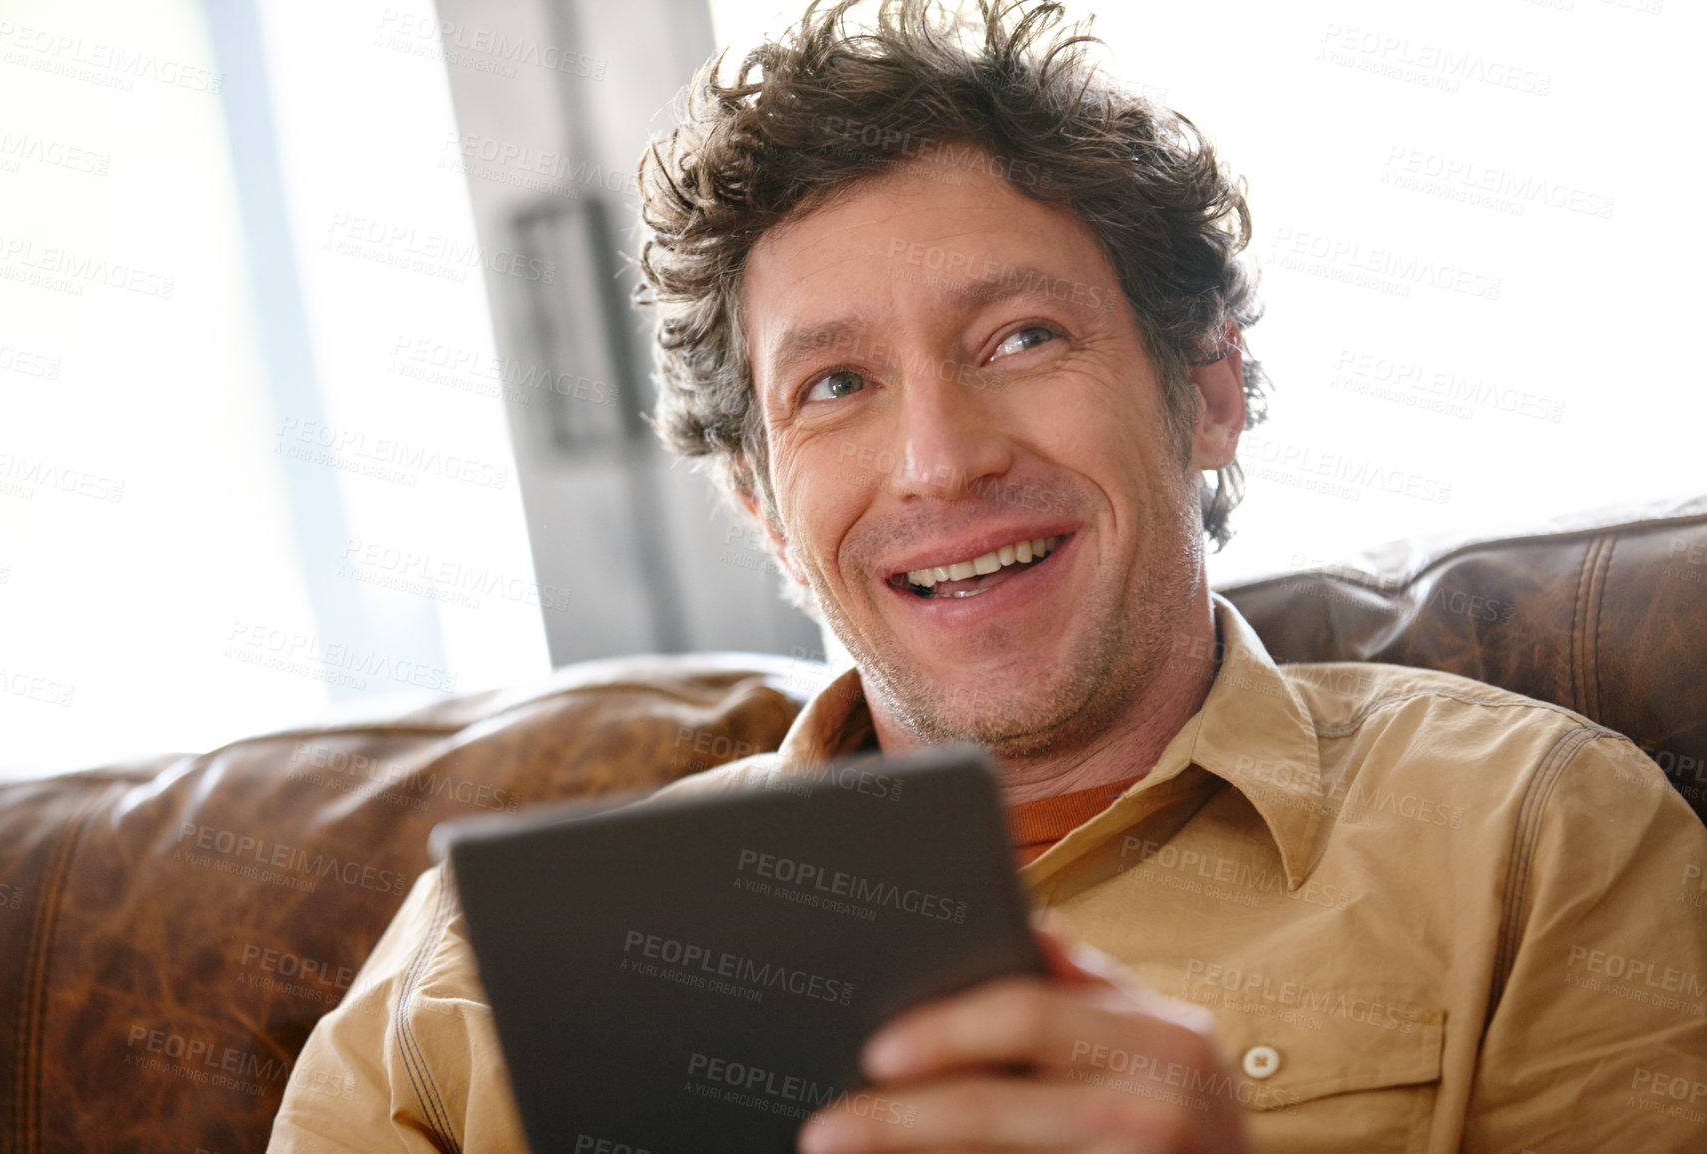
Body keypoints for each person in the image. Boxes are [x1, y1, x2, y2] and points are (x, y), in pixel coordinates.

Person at [268, 2, 1707, 1150]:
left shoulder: (1535, 836)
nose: (939, 462)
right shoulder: (474, 967)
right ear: (763, 505)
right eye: (835, 383)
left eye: (1021, 337)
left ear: (1206, 391)